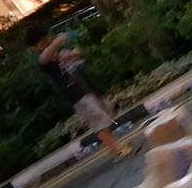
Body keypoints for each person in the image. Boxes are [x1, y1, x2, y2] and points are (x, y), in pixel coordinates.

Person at [28, 27, 133, 161]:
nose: (49, 40)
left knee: (104, 115)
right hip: (75, 95)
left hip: (84, 88)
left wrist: (72, 55)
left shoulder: (57, 53)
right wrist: (58, 41)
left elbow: (77, 54)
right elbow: (44, 58)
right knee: (99, 120)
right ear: (39, 43)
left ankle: (116, 147)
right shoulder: (44, 59)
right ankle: (117, 150)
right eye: (45, 39)